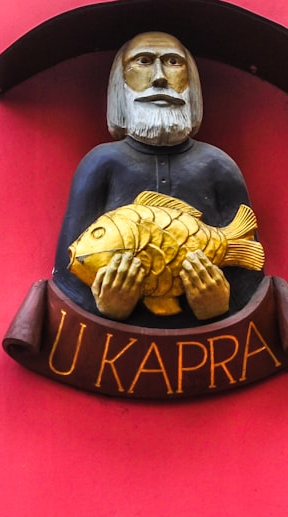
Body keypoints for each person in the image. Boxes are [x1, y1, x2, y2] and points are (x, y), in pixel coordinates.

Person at [52, 31, 264, 328]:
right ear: (120, 82)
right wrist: (108, 305)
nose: (160, 77)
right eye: (144, 61)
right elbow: (67, 273)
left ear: (191, 82)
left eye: (174, 62)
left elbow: (250, 275)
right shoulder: (100, 163)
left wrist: (217, 305)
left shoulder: (218, 165)